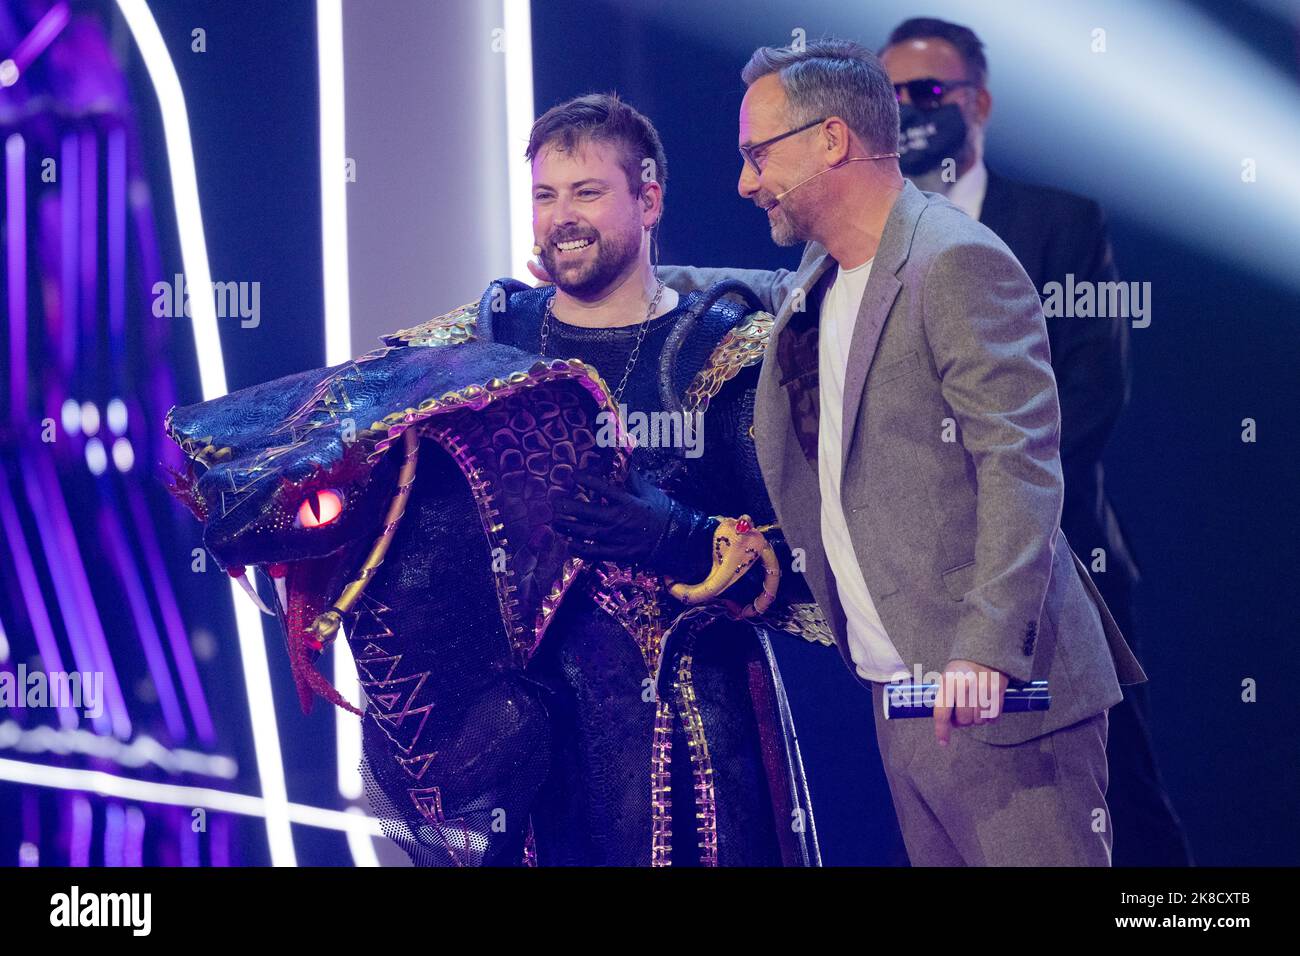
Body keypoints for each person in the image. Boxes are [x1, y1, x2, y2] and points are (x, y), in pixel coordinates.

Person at [165, 92, 828, 866]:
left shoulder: (724, 351)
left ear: (648, 200)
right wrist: (265, 474)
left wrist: (680, 539)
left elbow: (814, 574)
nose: (561, 217)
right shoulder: (485, 335)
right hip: (515, 745)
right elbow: (348, 423)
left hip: (684, 743)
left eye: (587, 192)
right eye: (546, 196)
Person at [659, 39, 1147, 866]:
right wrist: (640, 279)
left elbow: (1020, 465)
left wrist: (984, 648)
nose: (745, 183)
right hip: (902, 692)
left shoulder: (955, 262)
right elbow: (752, 290)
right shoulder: (828, 270)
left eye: (757, 154)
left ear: (832, 140)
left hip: (998, 695)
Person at [880, 16, 1191, 866]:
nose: (907, 110)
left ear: (977, 102)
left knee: (1120, 784)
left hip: (1063, 565)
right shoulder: (868, 246)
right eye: (891, 94)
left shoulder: (1059, 221)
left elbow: (1091, 393)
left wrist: (1001, 516)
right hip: (923, 583)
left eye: (927, 92)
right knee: (964, 802)